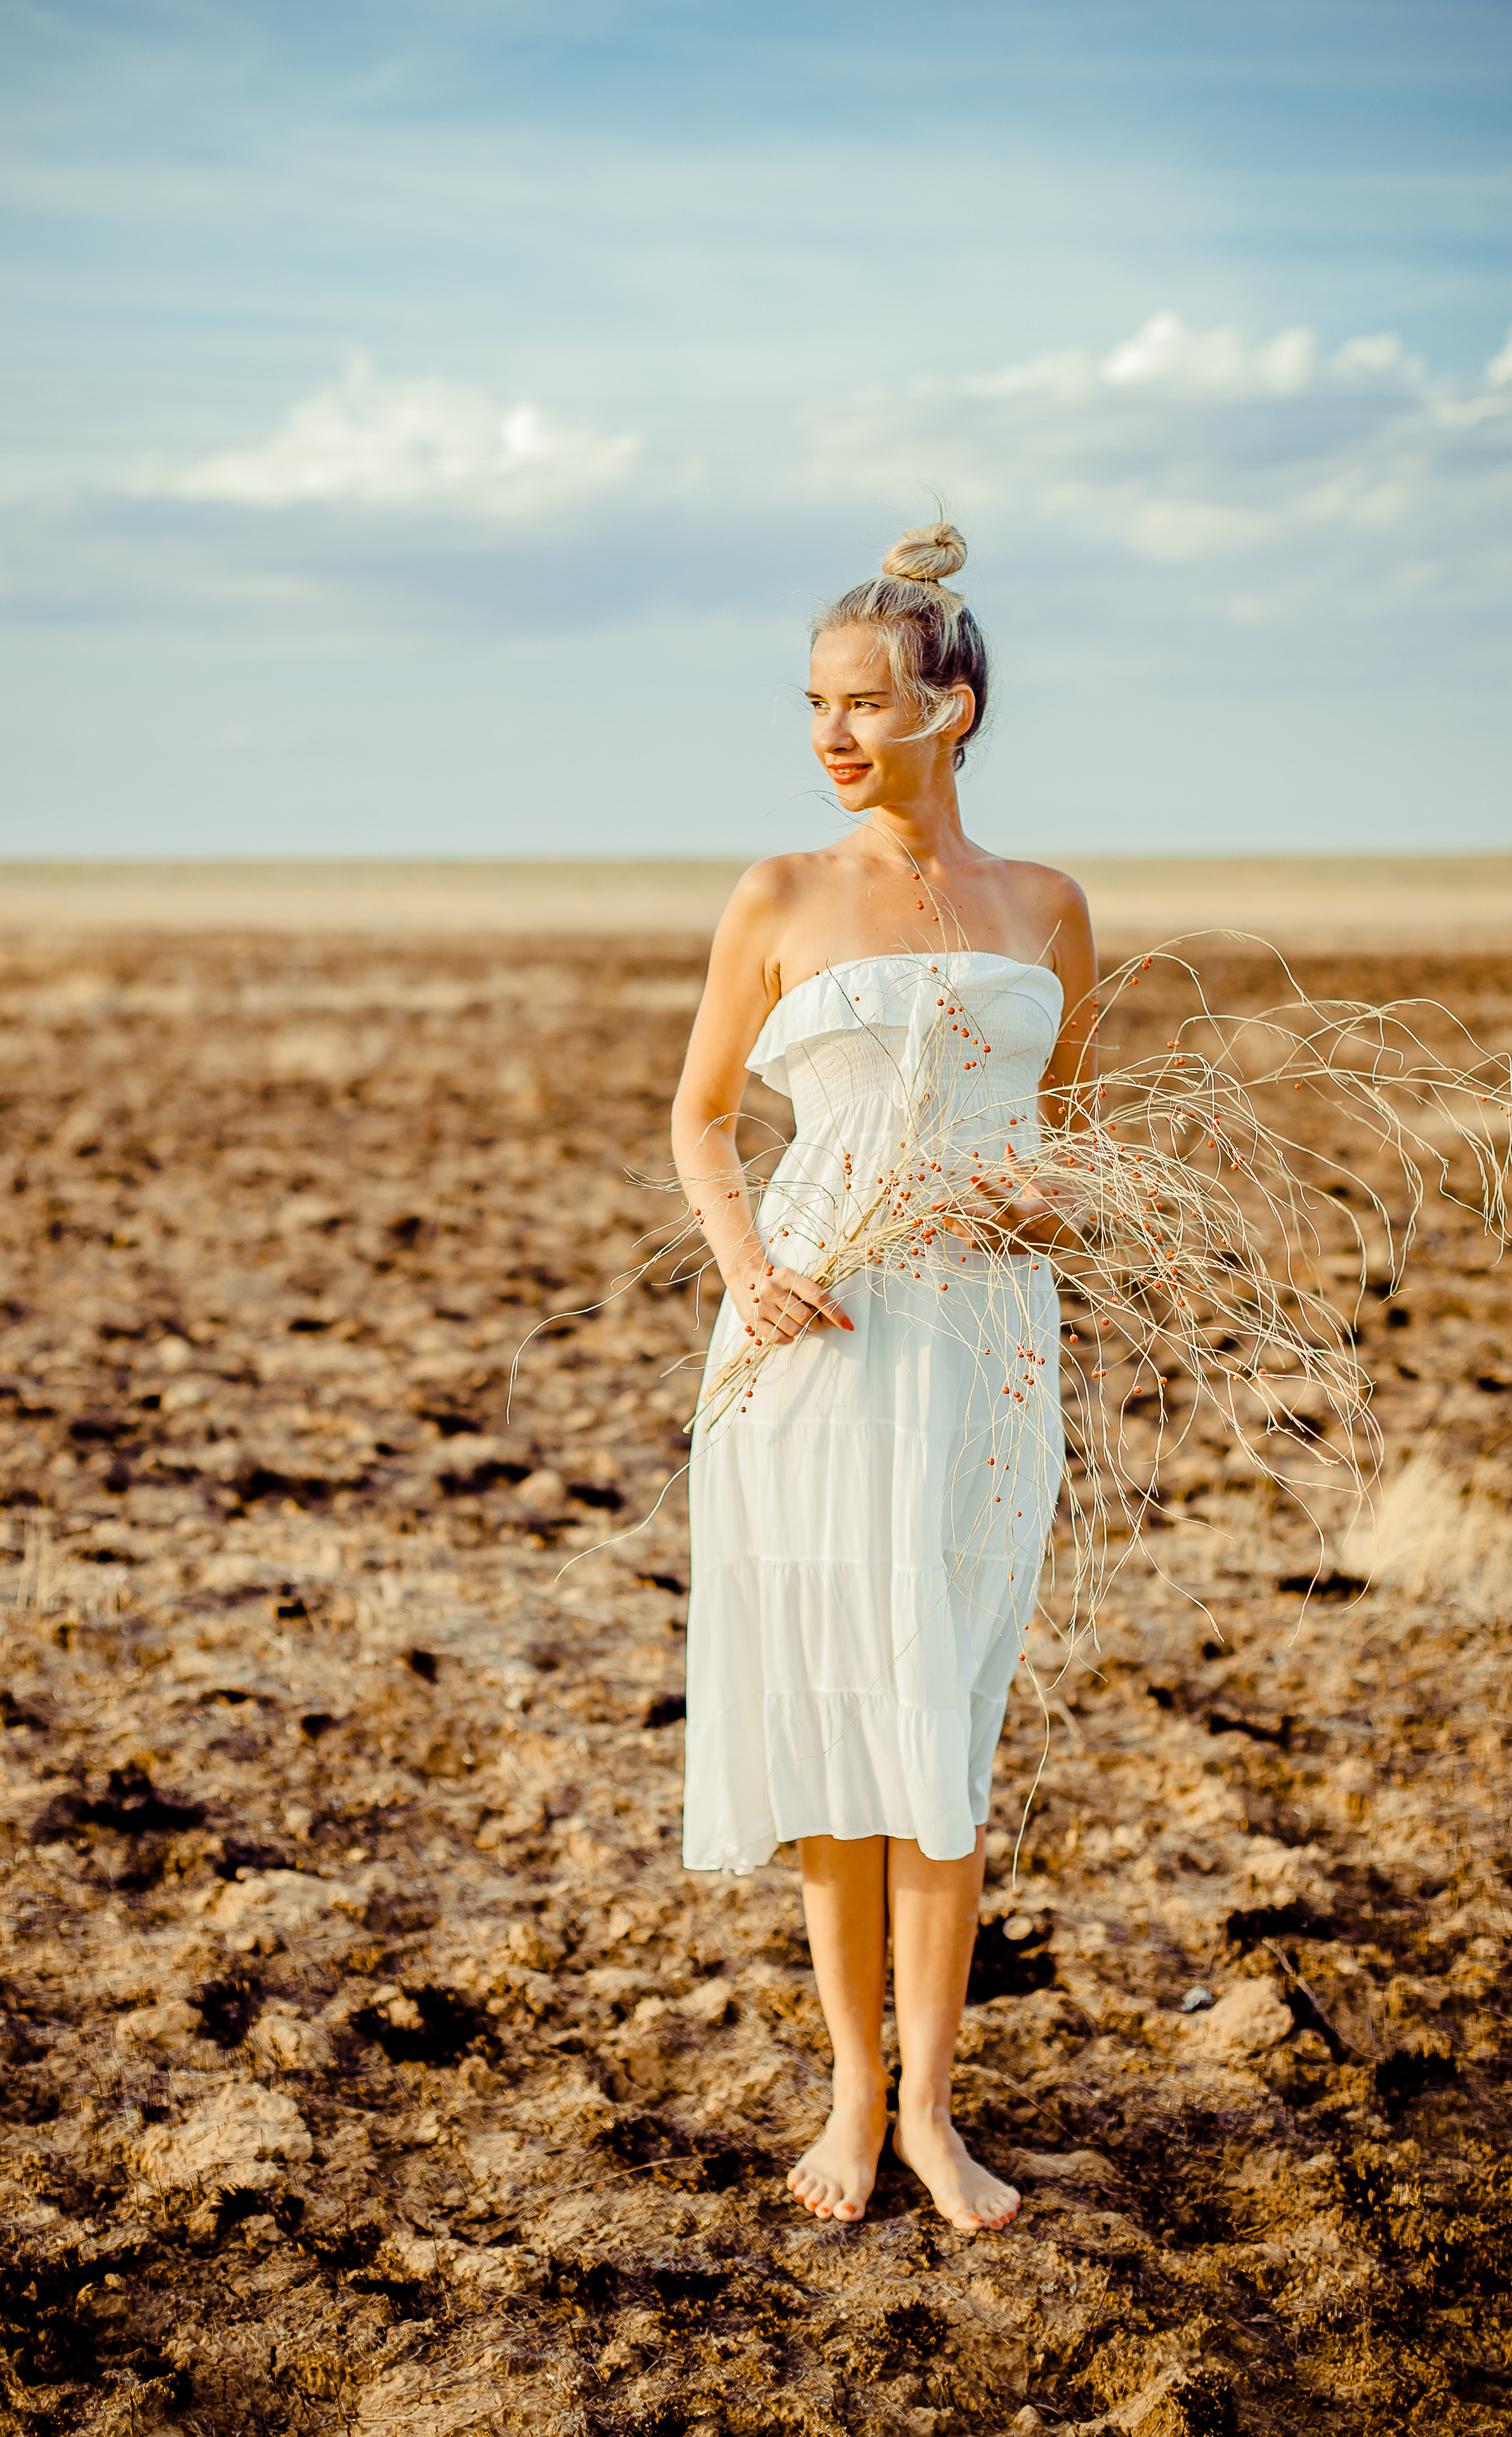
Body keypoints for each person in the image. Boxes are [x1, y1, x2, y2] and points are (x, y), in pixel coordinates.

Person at [670, 520, 1098, 2233]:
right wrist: (753, 1273)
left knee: (948, 1725)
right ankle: (853, 2094)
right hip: (816, 1344)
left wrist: (1035, 1198)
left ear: (958, 706)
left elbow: (1080, 1148)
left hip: (987, 1345)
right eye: (816, 704)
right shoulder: (777, 895)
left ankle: (936, 2110)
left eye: (869, 701)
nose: (836, 733)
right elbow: (701, 1122)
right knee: (847, 1716)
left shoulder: (1047, 907)